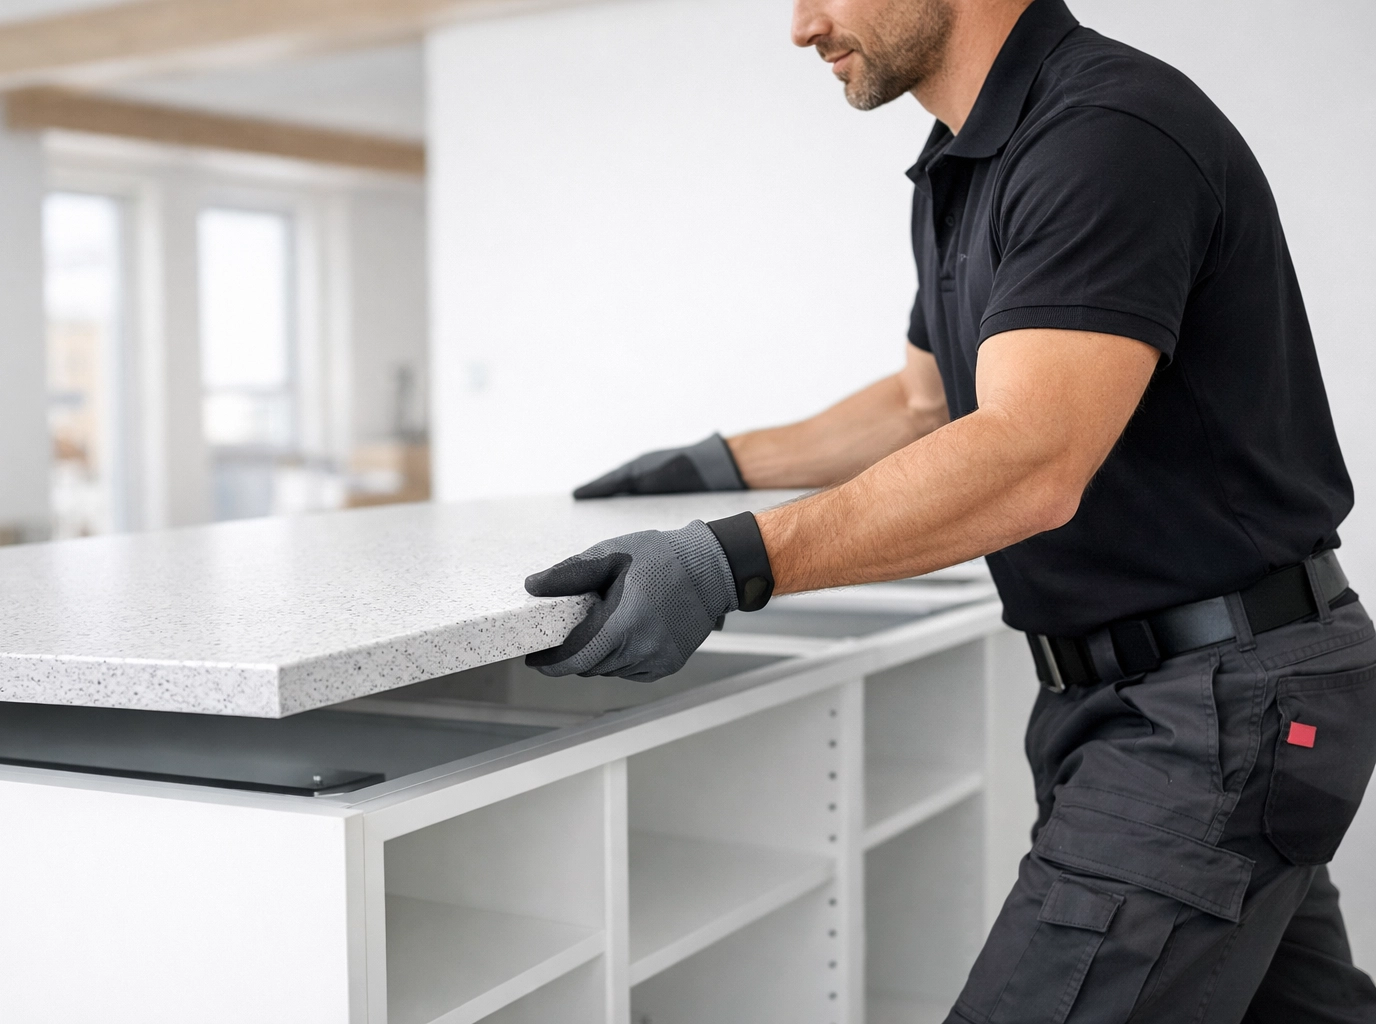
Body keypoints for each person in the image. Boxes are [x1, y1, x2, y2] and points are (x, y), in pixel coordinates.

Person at [522, 0, 1376, 1019]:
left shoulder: (1105, 135)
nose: (801, 27)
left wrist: (730, 561)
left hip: (1215, 704)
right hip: (1149, 695)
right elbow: (926, 402)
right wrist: (714, 463)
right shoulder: (965, 162)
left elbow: (1030, 454)